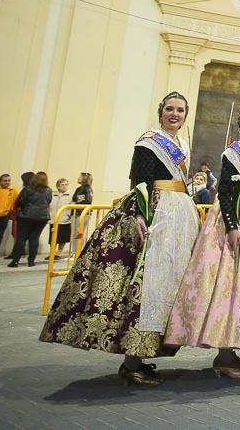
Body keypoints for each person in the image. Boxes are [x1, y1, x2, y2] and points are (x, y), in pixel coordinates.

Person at [41, 92, 199, 386]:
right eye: (169, 109)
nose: (174, 114)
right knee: (142, 284)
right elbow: (141, 180)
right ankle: (131, 361)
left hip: (179, 215)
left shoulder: (182, 145)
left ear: (186, 115)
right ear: (160, 112)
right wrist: (141, 214)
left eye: (180, 110)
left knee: (167, 286)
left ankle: (143, 354)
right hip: (155, 213)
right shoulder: (149, 142)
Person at [163, 104, 240, 378]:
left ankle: (234, 349)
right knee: (230, 285)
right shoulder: (232, 153)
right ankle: (224, 354)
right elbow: (225, 190)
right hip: (238, 220)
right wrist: (232, 225)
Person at [8, 172, 53, 267]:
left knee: (21, 238)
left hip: (27, 216)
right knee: (34, 238)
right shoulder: (48, 190)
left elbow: (19, 201)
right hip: (42, 217)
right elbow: (48, 202)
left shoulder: (28, 188)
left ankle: (15, 261)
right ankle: (31, 261)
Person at [68, 173, 94, 250]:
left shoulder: (87, 189)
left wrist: (76, 203)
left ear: (85, 178)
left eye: (80, 177)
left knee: (79, 233)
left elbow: (88, 201)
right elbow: (74, 199)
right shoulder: (79, 189)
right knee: (74, 233)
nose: (78, 178)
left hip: (82, 213)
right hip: (75, 213)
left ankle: (77, 251)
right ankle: (74, 251)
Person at [50, 178, 72, 253]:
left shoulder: (70, 195)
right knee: (52, 237)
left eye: (66, 184)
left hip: (64, 219)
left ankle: (59, 252)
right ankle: (52, 252)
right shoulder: (53, 194)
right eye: (62, 185)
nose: (64, 186)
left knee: (62, 238)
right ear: (58, 186)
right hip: (54, 219)